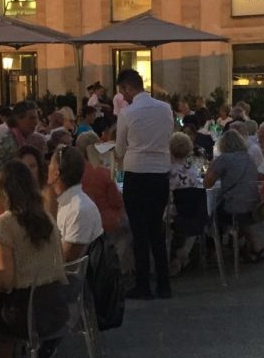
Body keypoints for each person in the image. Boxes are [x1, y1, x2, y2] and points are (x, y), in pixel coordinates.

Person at [0, 160, 68, 358]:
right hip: (56, 306)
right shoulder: (46, 217)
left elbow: (5, 280)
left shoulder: (4, 224)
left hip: (28, 314)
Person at [114, 69, 173, 300]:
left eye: (122, 91)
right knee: (156, 228)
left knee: (139, 232)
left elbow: (119, 149)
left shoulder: (128, 113)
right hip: (159, 172)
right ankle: (164, 284)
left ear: (129, 88)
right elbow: (169, 135)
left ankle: (143, 285)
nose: (122, 97)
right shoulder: (165, 109)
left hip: (136, 173)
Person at [204, 130, 264, 262]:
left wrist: (210, 167)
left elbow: (207, 183)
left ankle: (215, 249)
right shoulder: (248, 157)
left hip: (234, 207)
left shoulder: (223, 159)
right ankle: (252, 245)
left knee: (213, 215)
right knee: (237, 210)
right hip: (254, 205)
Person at [47, 146, 103, 262]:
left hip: (77, 278)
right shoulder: (67, 202)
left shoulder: (78, 209)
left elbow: (67, 259)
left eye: (50, 164)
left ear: (56, 173)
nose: (47, 167)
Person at [74, 131, 125, 235]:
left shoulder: (72, 172)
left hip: (80, 221)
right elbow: (116, 202)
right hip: (105, 221)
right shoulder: (103, 173)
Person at [168, 133, 202, 274]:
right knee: (193, 217)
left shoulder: (166, 171)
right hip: (192, 213)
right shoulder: (193, 172)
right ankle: (182, 254)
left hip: (171, 213)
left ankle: (174, 256)